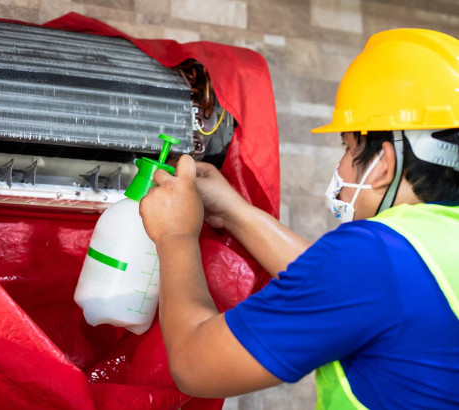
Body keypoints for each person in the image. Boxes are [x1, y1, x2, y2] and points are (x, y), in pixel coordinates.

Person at [139, 28, 459, 409]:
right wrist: (234, 211)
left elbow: (193, 362)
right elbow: (344, 290)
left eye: (347, 147)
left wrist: (175, 234)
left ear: (381, 165)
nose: (340, 166)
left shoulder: (376, 258)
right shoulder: (428, 249)